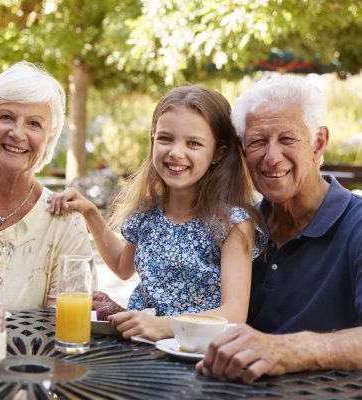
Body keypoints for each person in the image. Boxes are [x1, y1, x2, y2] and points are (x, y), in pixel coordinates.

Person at [50, 85, 266, 341]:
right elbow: (122, 267)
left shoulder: (232, 222)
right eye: (165, 138)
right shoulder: (148, 212)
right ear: (153, 139)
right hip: (137, 349)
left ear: (218, 153)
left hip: (193, 355)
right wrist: (90, 213)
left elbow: (234, 313)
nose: (176, 152)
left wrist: (162, 326)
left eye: (194, 143)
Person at [197, 75, 362, 383]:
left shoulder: (356, 226)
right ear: (242, 150)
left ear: (319, 142)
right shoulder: (237, 229)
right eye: (258, 141)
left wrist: (285, 349)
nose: (272, 157)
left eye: (287, 139)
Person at [0, 62, 94, 310]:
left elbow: (68, 320)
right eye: (6, 117)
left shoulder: (64, 221)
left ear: (49, 138)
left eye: (34, 124)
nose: (17, 133)